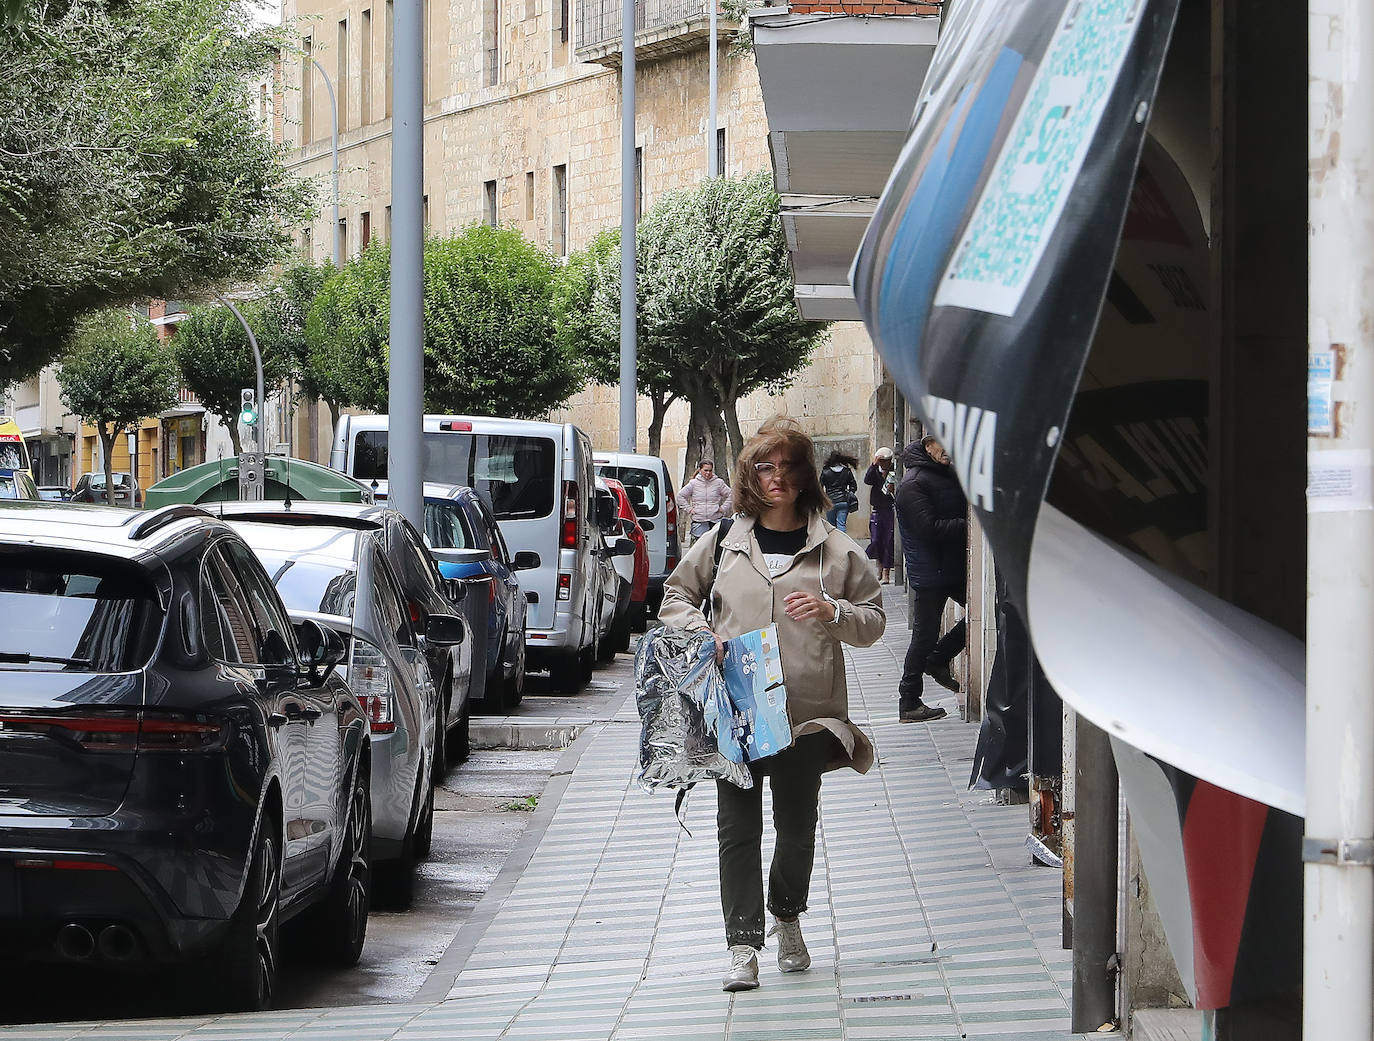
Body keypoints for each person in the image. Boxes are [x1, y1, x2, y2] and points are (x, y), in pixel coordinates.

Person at [660, 417, 885, 993]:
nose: (777, 477)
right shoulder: (723, 542)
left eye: (787, 466)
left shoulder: (836, 549)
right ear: (750, 476)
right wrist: (699, 631)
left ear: (804, 474)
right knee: (736, 829)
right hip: (735, 711)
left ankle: (787, 914)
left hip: (807, 714)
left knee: (796, 828)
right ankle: (742, 945)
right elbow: (676, 595)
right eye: (765, 466)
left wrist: (835, 613)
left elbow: (875, 620)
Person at [894, 434, 968, 722]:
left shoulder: (943, 475)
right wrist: (970, 524)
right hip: (931, 572)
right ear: (928, 445)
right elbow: (928, 528)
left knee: (991, 615)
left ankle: (938, 658)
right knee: (923, 635)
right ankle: (909, 701)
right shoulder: (913, 484)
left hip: (951, 567)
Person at [677, 459, 733, 542]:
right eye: (705, 470)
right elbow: (680, 496)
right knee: (699, 549)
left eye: (710, 470)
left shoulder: (718, 483)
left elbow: (732, 495)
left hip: (715, 520)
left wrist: (723, 508)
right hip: (699, 522)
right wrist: (689, 509)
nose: (708, 473)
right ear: (700, 470)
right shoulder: (693, 483)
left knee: (715, 549)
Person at [863, 447, 897, 584]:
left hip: (889, 509)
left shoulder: (894, 471)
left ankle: (886, 573)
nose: (884, 464)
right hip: (877, 509)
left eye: (886, 461)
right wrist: (874, 465)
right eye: (881, 461)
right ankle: (879, 567)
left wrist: (893, 489)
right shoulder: (875, 472)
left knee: (888, 541)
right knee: (876, 540)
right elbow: (867, 480)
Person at [820, 450, 859, 531]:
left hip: (830, 501)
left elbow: (820, 487)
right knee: (841, 525)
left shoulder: (825, 471)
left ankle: (833, 543)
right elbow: (853, 486)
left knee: (831, 527)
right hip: (843, 501)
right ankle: (842, 543)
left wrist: (824, 498)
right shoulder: (846, 471)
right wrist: (849, 493)